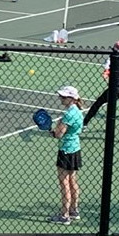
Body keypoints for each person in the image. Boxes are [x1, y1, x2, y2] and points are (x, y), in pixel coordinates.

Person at [50, 86, 84, 224]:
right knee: (72, 180)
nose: (61, 98)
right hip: (75, 149)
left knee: (64, 183)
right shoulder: (77, 111)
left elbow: (59, 134)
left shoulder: (69, 114)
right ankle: (74, 210)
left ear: (72, 99)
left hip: (65, 150)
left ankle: (64, 215)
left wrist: (52, 131)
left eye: (63, 97)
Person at [83, 41, 119, 126]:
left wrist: (107, 75)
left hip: (118, 87)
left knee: (98, 103)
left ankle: (85, 123)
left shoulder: (116, 57)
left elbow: (109, 68)